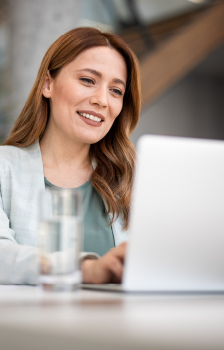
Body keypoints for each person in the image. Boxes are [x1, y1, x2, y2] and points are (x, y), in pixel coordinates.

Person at [0, 27, 141, 285]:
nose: (102, 100)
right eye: (88, 80)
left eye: (116, 91)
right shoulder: (4, 167)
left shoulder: (132, 181)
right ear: (47, 84)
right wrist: (85, 269)